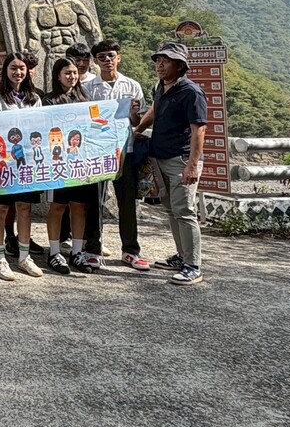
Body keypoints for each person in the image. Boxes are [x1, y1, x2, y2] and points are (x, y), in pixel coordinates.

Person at [134, 42, 207, 286]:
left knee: (185, 212)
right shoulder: (160, 87)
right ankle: (182, 257)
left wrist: (192, 165)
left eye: (166, 60)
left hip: (181, 160)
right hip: (160, 157)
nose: (160, 64)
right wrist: (138, 129)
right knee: (171, 210)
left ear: (180, 65)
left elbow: (199, 130)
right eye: (158, 60)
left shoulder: (192, 92)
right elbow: (155, 110)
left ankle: (193, 266)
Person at [86, 39, 148, 271]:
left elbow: (137, 122)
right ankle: (93, 249)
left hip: (125, 149)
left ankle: (130, 251)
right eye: (101, 57)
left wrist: (134, 113)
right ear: (95, 61)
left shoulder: (132, 85)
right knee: (95, 202)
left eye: (111, 56)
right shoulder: (89, 88)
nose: (107, 60)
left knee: (127, 202)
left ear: (118, 58)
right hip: (98, 151)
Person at [0, 53, 44, 281]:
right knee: (1, 209)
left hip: (26, 163)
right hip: (3, 164)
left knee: (25, 208)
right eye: (13, 68)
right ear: (5, 71)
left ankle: (24, 256)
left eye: (21, 68)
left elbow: (39, 127)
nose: (17, 72)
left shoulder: (34, 98)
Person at [42, 58, 97, 275]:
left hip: (81, 162)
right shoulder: (48, 100)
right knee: (57, 206)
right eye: (67, 73)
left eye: (74, 72)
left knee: (79, 206)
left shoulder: (85, 98)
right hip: (58, 163)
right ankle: (55, 252)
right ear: (57, 75)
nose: (72, 76)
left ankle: (76, 252)